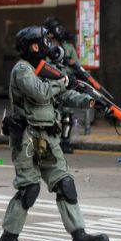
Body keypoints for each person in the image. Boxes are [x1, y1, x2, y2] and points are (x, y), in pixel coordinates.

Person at [0, 26, 109, 241]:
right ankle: (8, 238)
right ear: (34, 46)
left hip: (49, 136)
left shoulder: (47, 70)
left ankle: (79, 237)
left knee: (65, 184)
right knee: (29, 189)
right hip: (27, 137)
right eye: (44, 41)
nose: (49, 44)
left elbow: (65, 95)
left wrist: (92, 102)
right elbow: (40, 92)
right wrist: (63, 80)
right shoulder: (22, 70)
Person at [43, 17, 79, 154]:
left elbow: (76, 65)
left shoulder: (68, 48)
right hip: (49, 85)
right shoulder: (45, 47)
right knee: (48, 115)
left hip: (66, 84)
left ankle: (65, 142)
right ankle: (49, 142)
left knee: (67, 115)